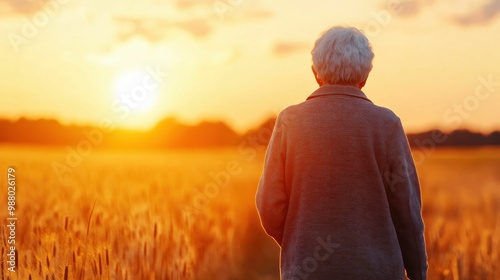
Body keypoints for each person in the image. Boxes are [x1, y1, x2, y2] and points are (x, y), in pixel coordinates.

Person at [256, 26, 428, 280]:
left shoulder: (289, 121)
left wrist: (300, 244)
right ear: (366, 76)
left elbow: (269, 206)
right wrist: (418, 273)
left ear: (316, 73)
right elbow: (407, 211)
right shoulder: (387, 124)